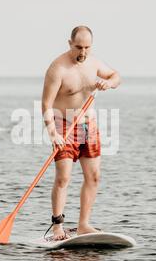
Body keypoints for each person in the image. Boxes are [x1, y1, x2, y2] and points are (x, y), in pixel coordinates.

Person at [41, 26, 121, 240]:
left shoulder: (94, 63)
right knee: (63, 178)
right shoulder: (57, 68)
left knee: (93, 177)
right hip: (63, 124)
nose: (83, 52)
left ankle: (84, 224)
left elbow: (116, 76)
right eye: (78, 47)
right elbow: (46, 104)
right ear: (70, 43)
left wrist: (109, 82)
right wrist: (52, 133)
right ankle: (58, 226)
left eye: (87, 47)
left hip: (89, 124)